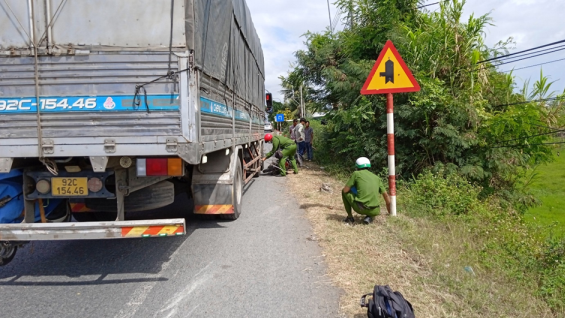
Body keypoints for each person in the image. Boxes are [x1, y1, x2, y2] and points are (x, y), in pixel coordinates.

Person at [342, 157, 391, 224]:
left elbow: (345, 190)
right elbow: (386, 195)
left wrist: (354, 190)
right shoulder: (376, 178)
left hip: (361, 208)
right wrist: (390, 211)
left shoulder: (356, 174)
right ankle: (369, 217)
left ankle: (350, 217)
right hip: (375, 210)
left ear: (357, 166)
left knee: (343, 191)